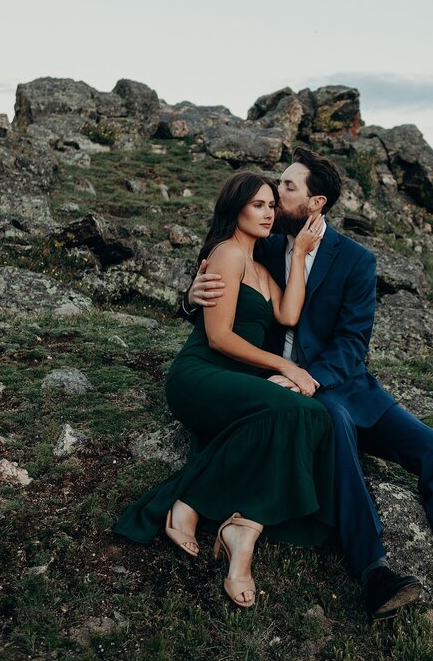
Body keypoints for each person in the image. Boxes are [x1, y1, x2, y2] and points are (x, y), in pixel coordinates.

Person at [183, 147, 433, 638]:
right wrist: (189, 297)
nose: (275, 195)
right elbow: (218, 292)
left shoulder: (356, 260)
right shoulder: (258, 241)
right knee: (335, 427)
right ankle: (374, 572)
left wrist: (311, 376)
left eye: (287, 187)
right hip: (278, 384)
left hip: (342, 382)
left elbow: (351, 343)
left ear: (316, 202)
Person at [114, 171, 336, 609]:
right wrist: (286, 366)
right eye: (258, 205)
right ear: (235, 208)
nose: (269, 213)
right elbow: (218, 338)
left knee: (309, 413)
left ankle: (221, 519)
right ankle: (191, 505)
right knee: (299, 410)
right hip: (200, 374)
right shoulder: (226, 255)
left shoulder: (260, 266)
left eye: (273, 205)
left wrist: (300, 255)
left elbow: (289, 314)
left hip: (236, 379)